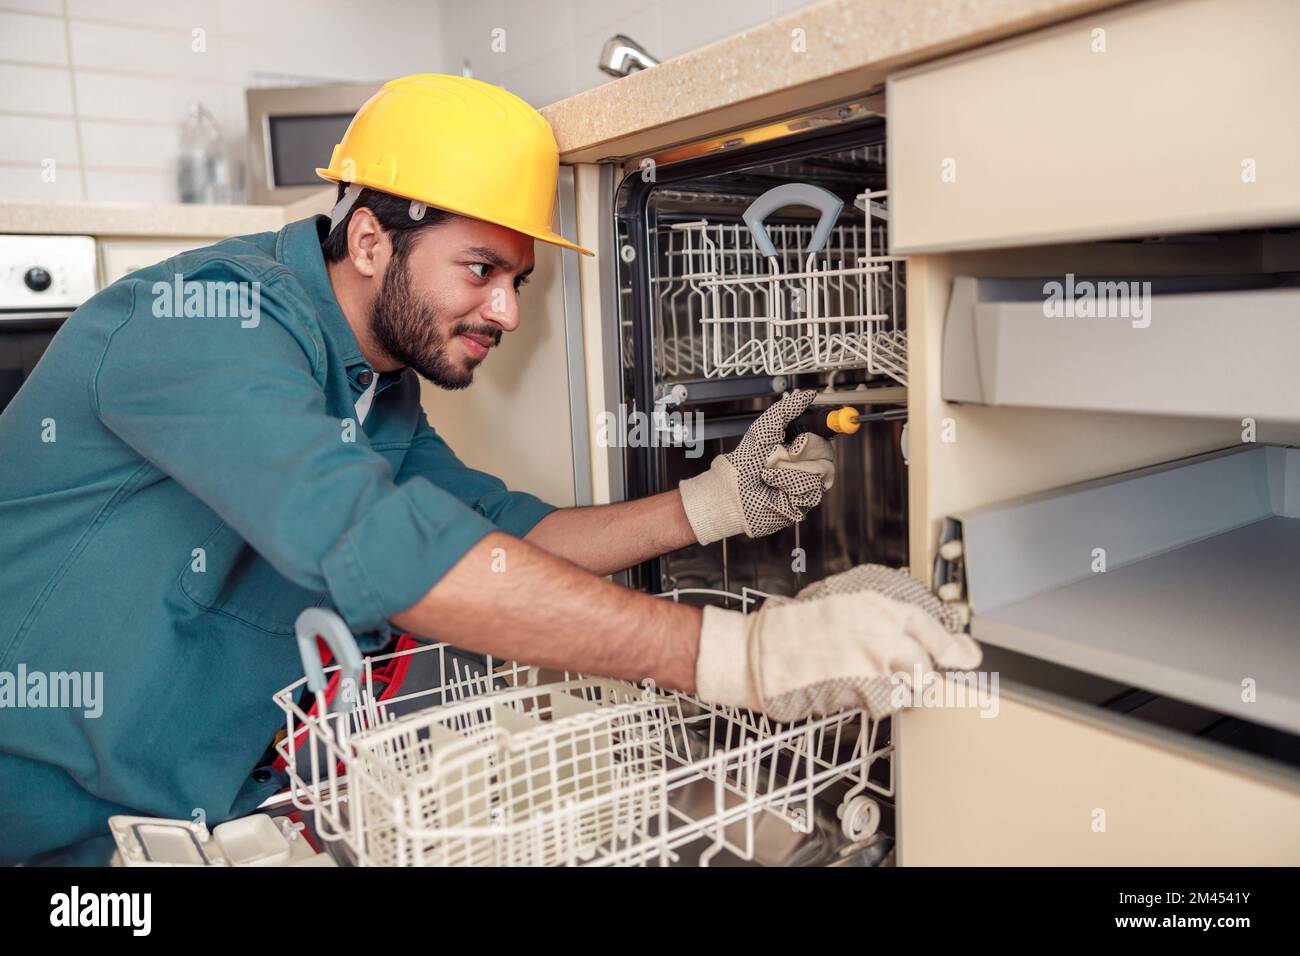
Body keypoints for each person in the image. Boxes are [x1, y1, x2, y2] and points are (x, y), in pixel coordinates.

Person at [0, 74, 977, 865]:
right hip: (45, 830)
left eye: (518, 279)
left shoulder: (377, 389)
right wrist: (746, 658)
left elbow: (508, 533)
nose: (507, 311)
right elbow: (387, 551)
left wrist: (712, 502)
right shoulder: (199, 325)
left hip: (206, 819)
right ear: (371, 238)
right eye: (479, 269)